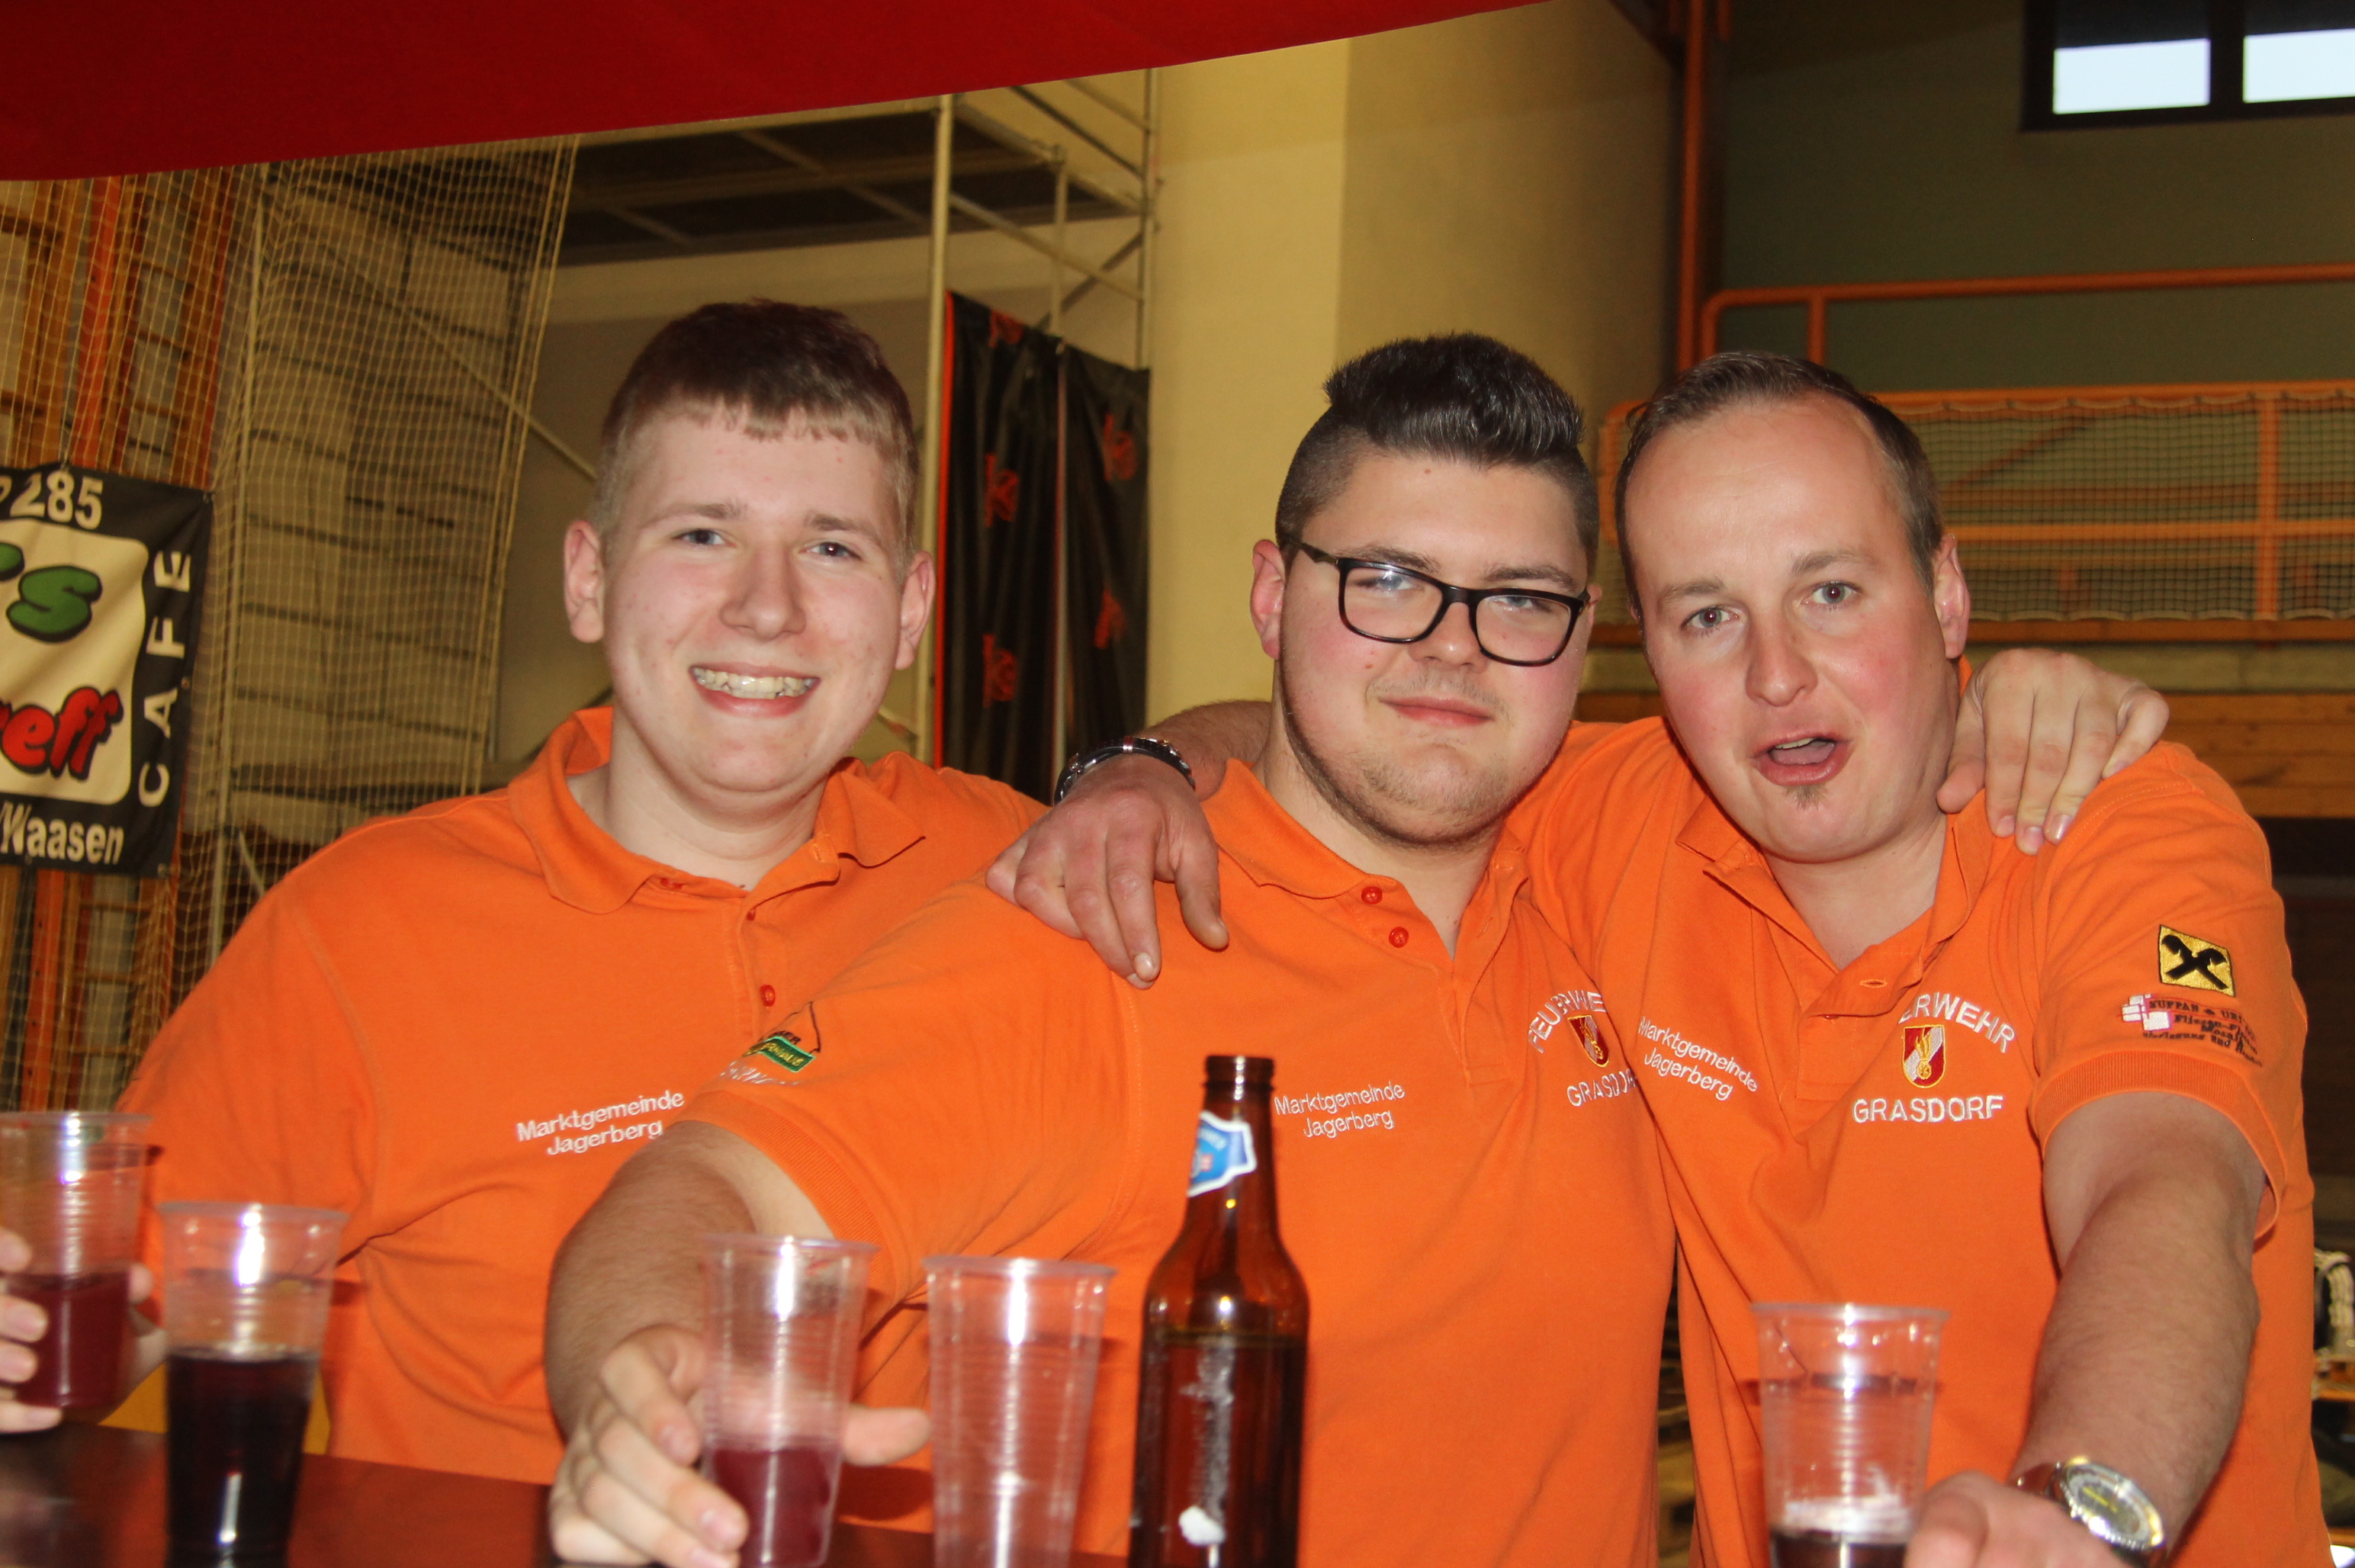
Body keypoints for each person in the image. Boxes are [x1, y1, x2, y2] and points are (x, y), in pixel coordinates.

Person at [540, 336, 2171, 1568]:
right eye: (1384, 582)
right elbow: (702, 1188)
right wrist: (642, 1383)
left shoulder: (1606, 876)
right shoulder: (1094, 927)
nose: (1450, 650)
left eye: (1516, 599)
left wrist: (2010, 692)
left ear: (1582, 641)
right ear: (1272, 593)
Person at [1010, 353, 2308, 1567]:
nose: (1778, 675)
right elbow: (1358, 723)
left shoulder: (2116, 825)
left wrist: (2078, 1511)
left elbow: (2161, 1183)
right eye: (1707, 616)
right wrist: (1142, 766)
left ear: (1948, 591)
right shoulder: (1618, 816)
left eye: (1832, 593)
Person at [0, 301, 1217, 1483]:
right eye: (702, 536)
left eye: (831, 548)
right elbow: (112, 1317)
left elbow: (1304, 752)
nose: (767, 607)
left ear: (910, 612)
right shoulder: (362, 929)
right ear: (588, 579)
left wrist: (1146, 765)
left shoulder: (1005, 863)